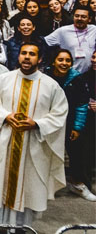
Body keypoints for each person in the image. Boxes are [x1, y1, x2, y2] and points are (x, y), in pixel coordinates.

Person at [0, 43, 68, 231]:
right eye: (23, 53)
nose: (27, 57)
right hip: (4, 141)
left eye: (32, 54)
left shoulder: (51, 86)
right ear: (18, 56)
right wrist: (6, 116)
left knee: (27, 186)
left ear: (40, 59)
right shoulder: (3, 80)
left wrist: (37, 124)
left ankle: (20, 227)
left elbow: (60, 114)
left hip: (33, 144)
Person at [44, 49, 96, 201]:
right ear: (54, 61)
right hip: (49, 122)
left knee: (78, 155)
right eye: (61, 60)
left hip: (70, 122)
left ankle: (77, 184)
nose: (64, 63)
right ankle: (48, 186)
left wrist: (77, 127)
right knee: (48, 154)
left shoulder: (77, 79)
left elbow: (81, 105)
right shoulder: (45, 76)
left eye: (67, 61)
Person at [43, 5, 96, 74]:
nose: (79, 19)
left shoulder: (94, 29)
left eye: (83, 17)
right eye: (77, 16)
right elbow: (43, 43)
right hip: (69, 73)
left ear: (89, 19)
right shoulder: (63, 31)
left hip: (89, 73)